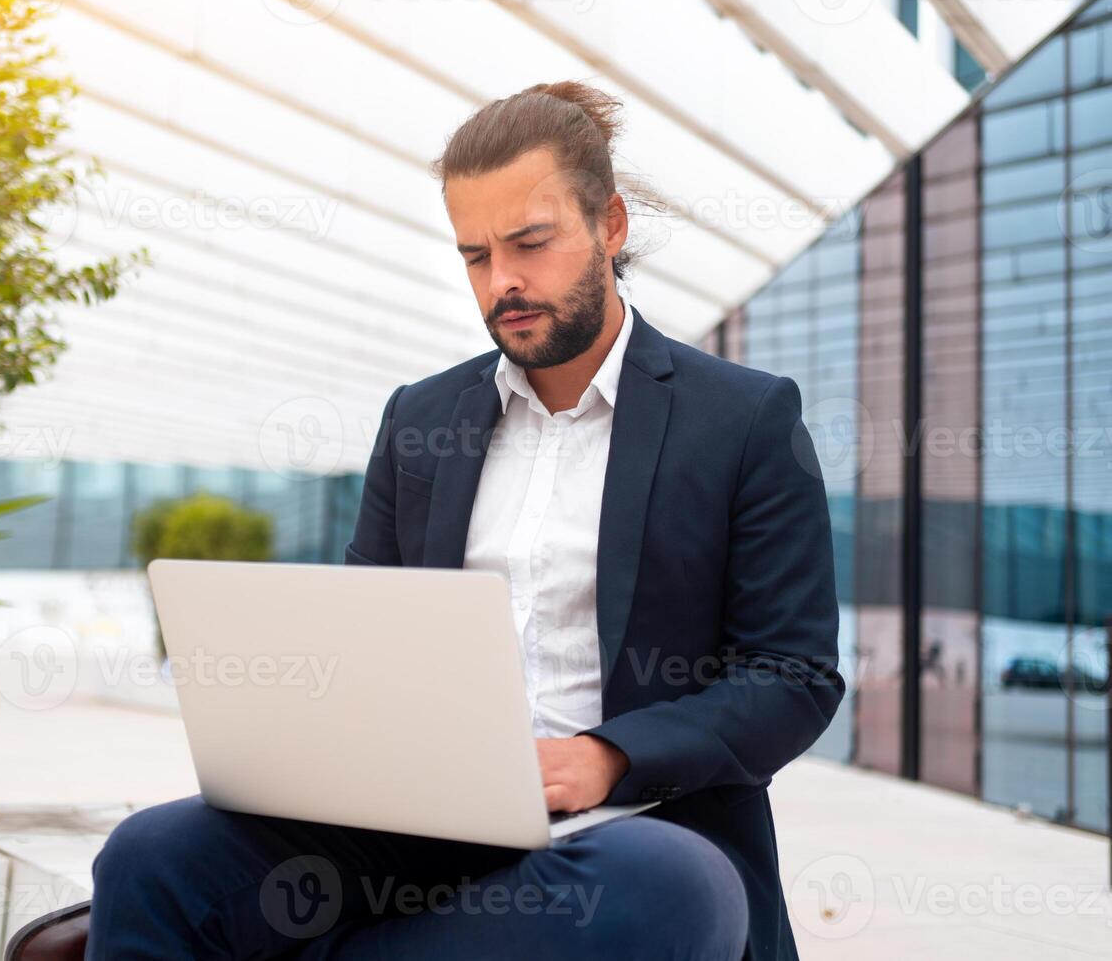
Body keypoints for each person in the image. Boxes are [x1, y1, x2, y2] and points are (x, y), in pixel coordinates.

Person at [84, 80, 845, 961]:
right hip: (416, 826)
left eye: (530, 244)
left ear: (610, 226)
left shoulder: (741, 419)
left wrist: (606, 755)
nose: (503, 283)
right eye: (475, 256)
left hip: (637, 824)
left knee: (670, 887)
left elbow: (791, 675)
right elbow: (364, 640)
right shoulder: (421, 420)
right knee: (151, 854)